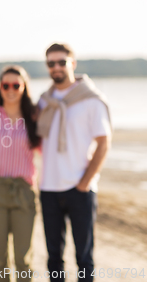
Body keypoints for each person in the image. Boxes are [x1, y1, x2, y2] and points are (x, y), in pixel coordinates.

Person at [37, 43, 111, 282]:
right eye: (51, 63)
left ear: (73, 63)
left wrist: (85, 182)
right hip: (48, 188)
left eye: (62, 62)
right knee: (54, 258)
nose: (56, 67)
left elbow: (104, 142)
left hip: (80, 188)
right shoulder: (44, 101)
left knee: (84, 258)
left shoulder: (91, 99)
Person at [0, 66, 40, 282]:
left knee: (23, 258)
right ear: (0, 87)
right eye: (6, 85)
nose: (11, 90)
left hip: (23, 191)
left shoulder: (34, 117)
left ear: (24, 87)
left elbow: (50, 147)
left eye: (16, 85)